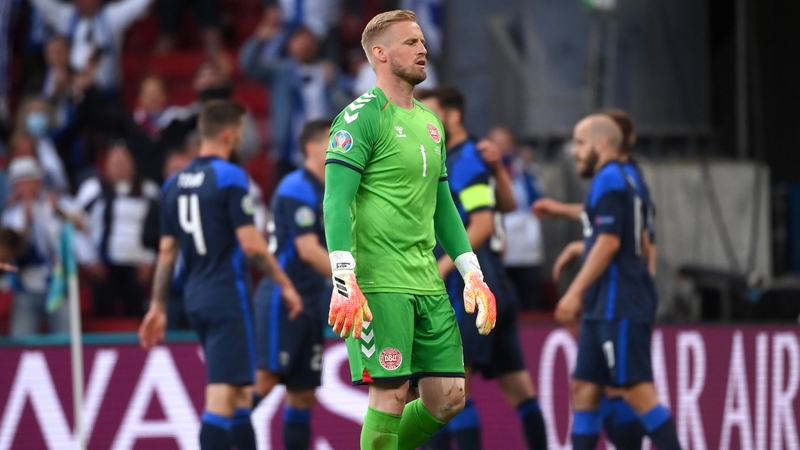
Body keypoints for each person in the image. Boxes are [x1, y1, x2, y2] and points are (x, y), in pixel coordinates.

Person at [323, 11, 498, 450]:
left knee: (449, 398)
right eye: (410, 43)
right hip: (378, 284)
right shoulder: (359, 117)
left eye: (422, 42)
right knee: (392, 394)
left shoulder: (430, 123)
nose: (422, 50)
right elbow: (335, 200)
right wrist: (343, 278)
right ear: (379, 54)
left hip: (427, 281)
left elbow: (444, 208)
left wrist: (471, 272)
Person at [138, 100, 302, 450]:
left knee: (243, 396)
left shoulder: (173, 183)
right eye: (241, 133)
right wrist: (285, 283)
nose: (242, 139)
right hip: (227, 296)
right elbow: (252, 244)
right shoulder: (230, 176)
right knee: (222, 398)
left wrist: (158, 306)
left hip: (195, 297)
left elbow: (167, 252)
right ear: (229, 134)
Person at [415, 87, 546, 450]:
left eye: (429, 113)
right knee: (519, 388)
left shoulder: (463, 159)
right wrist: (500, 173)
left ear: (452, 116)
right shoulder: (471, 157)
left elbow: (484, 223)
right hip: (497, 285)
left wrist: (442, 266)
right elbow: (503, 205)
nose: (422, 120)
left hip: (470, 289)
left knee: (449, 389)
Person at [555, 114, 680, 450]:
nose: (575, 152)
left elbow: (610, 242)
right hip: (606, 302)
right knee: (584, 387)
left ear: (602, 143)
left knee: (636, 392)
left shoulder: (609, 179)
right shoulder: (629, 177)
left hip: (618, 303)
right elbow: (630, 240)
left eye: (580, 143)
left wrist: (574, 292)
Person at [251, 119, 331, 450]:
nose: (343, 148)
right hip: (283, 297)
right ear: (311, 148)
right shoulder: (297, 186)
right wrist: (355, 282)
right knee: (266, 379)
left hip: (311, 299)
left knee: (302, 394)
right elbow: (308, 250)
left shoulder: (331, 191)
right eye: (334, 142)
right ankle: (215, 436)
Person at [1, 156, 98, 337]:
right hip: (26, 287)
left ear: (38, 181)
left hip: (59, 284)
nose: (25, 186)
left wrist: (59, 211)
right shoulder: (11, 215)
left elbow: (85, 227)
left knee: (66, 340)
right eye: (20, 183)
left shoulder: (60, 203)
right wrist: (27, 224)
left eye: (29, 180)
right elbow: (11, 252)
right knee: (21, 341)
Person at [75, 141, 160, 317]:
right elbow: (75, 227)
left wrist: (151, 260)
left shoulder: (149, 190)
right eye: (115, 163)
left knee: (137, 315)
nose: (120, 167)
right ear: (106, 166)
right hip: (103, 266)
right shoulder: (92, 189)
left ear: (133, 164)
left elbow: (159, 229)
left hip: (138, 266)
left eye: (124, 162)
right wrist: (90, 261)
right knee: (103, 316)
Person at [29, 0, 154, 93]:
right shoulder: (65, 17)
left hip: (105, 93)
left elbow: (138, 4)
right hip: (72, 93)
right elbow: (43, 4)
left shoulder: (112, 17)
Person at [486, 126, 546, 311]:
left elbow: (537, 202)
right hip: (498, 250)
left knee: (530, 300)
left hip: (527, 250)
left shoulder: (526, 172)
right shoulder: (481, 172)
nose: (502, 148)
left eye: (506, 143)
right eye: (497, 143)